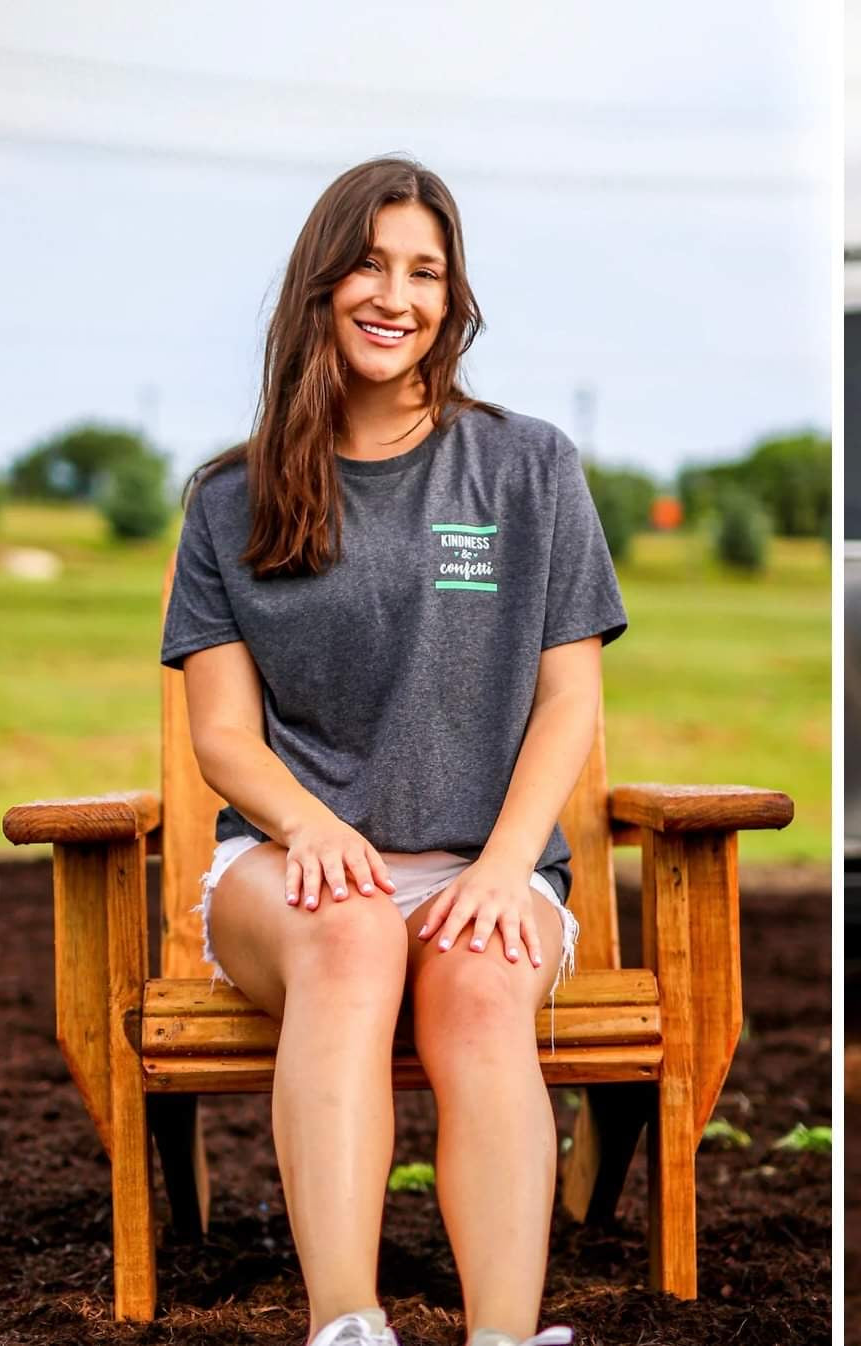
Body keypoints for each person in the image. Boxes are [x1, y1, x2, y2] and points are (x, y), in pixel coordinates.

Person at [160, 154, 628, 1346]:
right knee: (355, 927)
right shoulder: (230, 498)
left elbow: (567, 698)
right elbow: (221, 733)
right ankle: (347, 1325)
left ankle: (505, 1335)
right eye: (368, 262)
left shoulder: (527, 467)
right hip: (289, 872)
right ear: (320, 284)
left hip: (489, 853)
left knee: (477, 991)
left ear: (450, 299)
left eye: (425, 269)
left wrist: (503, 867)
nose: (395, 293)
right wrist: (312, 825)